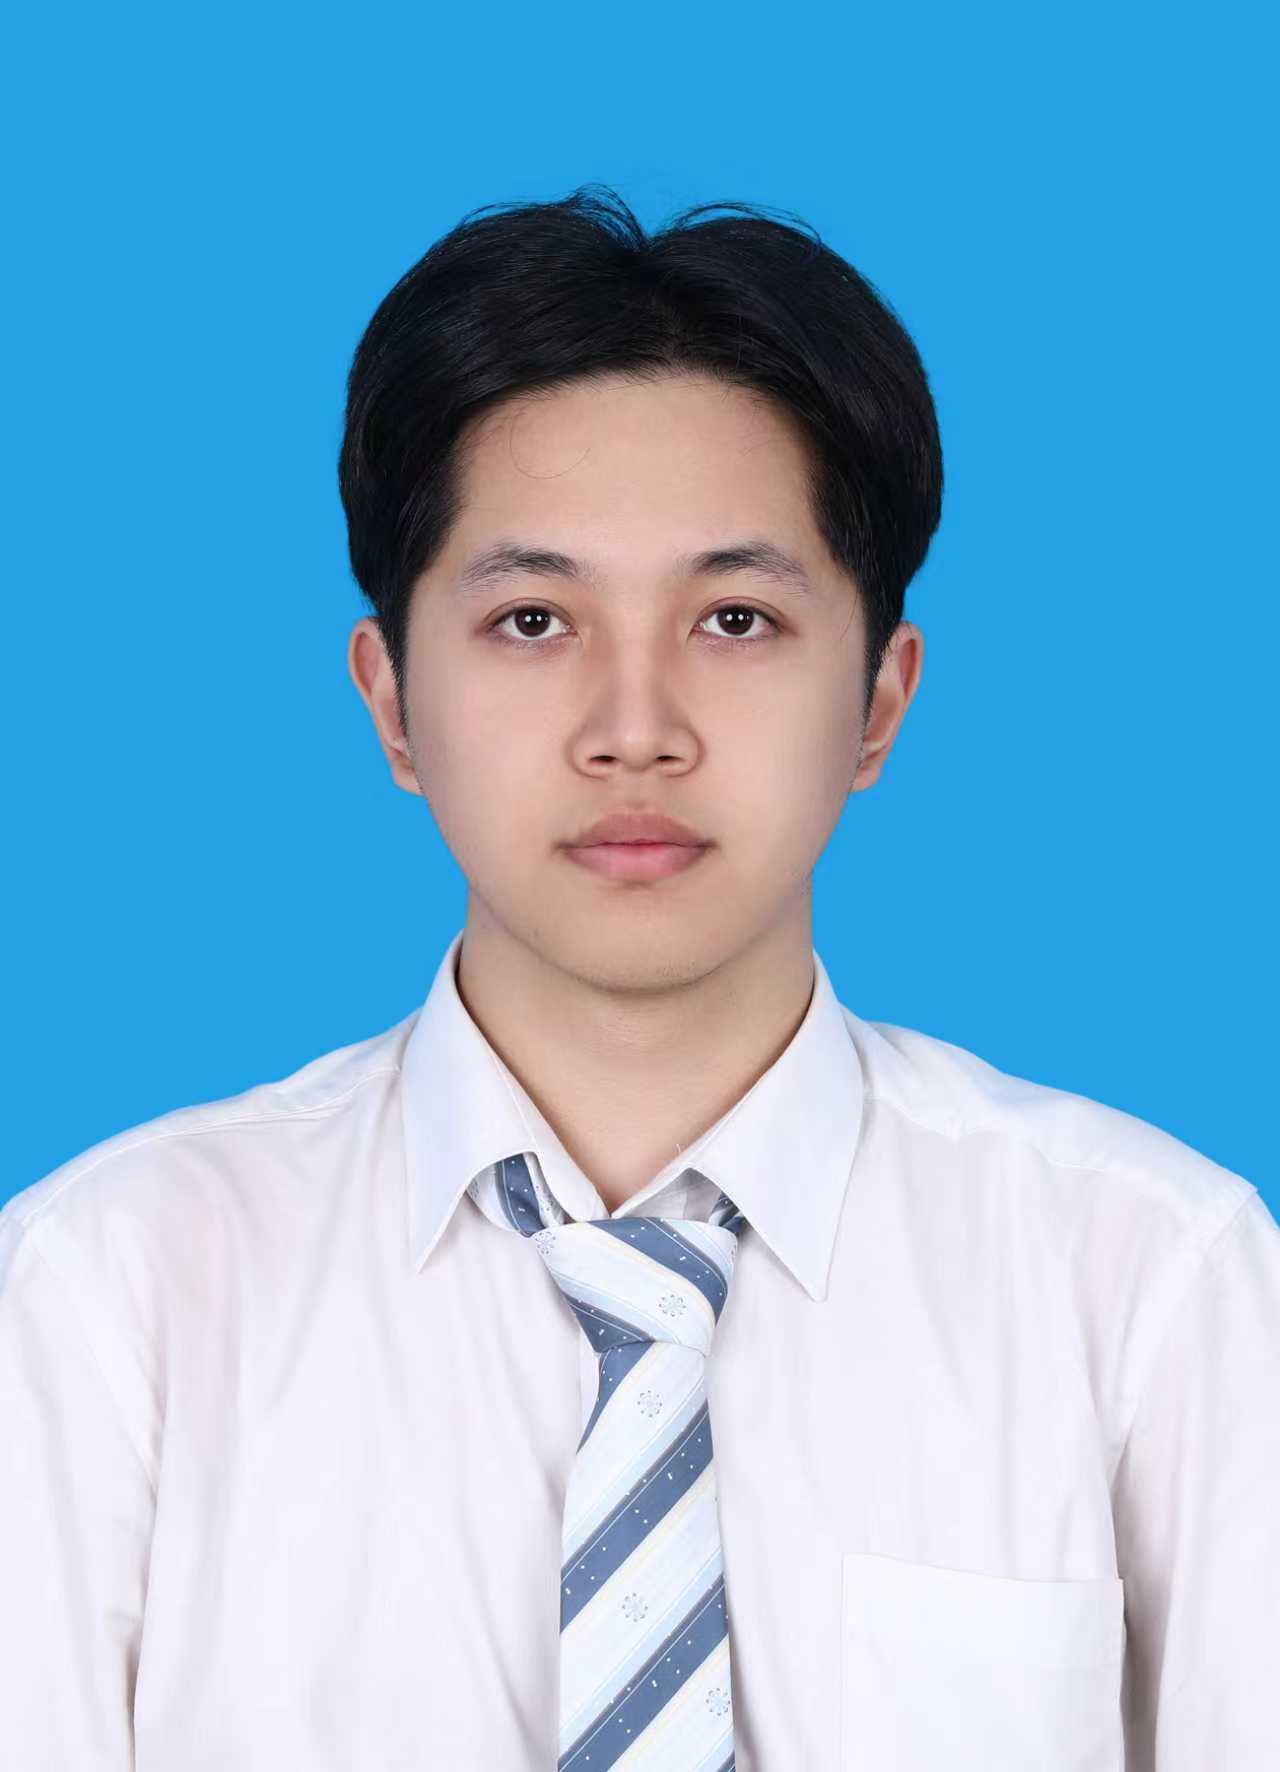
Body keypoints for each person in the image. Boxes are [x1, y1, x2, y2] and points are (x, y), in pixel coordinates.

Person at [2, 184, 1276, 1772]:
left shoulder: (1148, 1283)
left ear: (880, 702)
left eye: (735, 619)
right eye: (533, 619)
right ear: (391, 702)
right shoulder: (107, 1298)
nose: (634, 729)